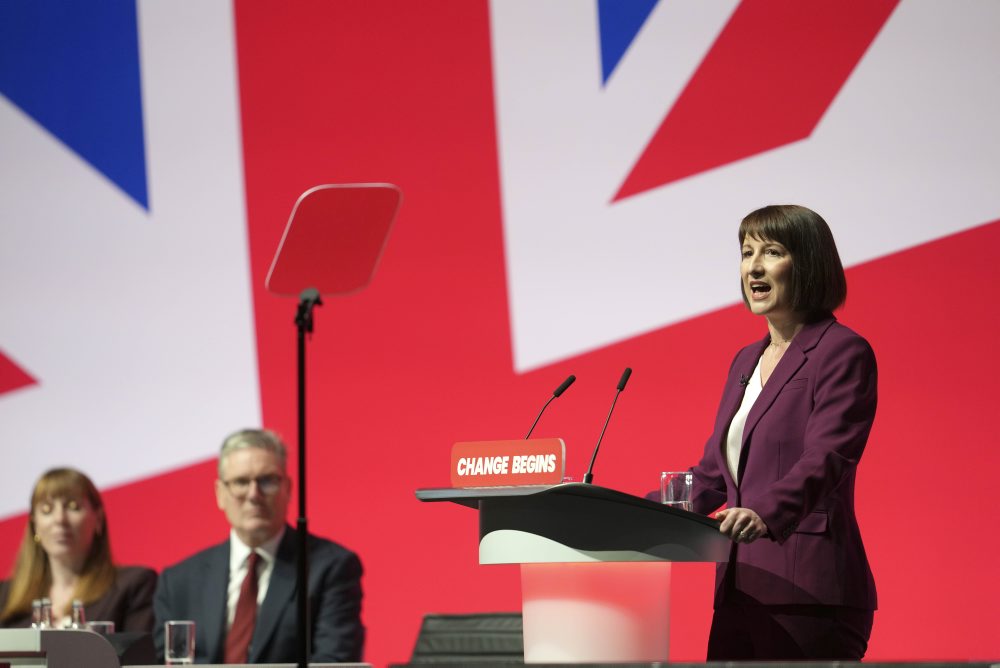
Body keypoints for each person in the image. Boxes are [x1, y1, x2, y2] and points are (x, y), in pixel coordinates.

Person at [690, 204, 877, 660]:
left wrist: (764, 513)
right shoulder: (744, 361)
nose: (753, 265)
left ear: (807, 263)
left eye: (771, 252)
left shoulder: (841, 351)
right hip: (739, 590)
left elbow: (828, 456)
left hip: (808, 592)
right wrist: (624, 516)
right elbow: (715, 475)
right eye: (746, 251)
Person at [153, 428, 364, 663]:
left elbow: (333, 661)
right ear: (219, 493)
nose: (254, 494)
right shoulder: (179, 581)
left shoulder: (329, 567)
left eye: (267, 480)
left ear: (288, 488)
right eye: (241, 482)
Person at [0, 468, 156, 631]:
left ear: (98, 519)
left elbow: (137, 655)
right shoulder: (4, 596)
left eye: (73, 507)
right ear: (34, 526)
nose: (60, 519)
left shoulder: (132, 586)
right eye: (47, 509)